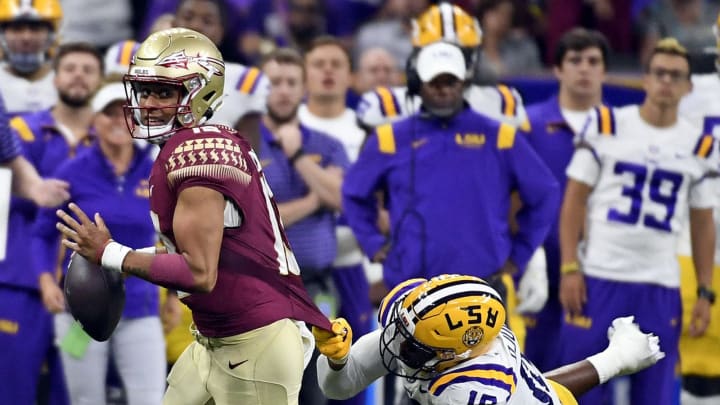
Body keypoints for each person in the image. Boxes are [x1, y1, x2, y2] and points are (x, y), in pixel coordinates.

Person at [56, 27, 333, 405]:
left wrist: (111, 254)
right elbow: (205, 250)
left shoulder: (198, 153)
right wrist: (119, 254)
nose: (150, 102)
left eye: (165, 92)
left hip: (255, 340)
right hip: (214, 339)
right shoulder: (192, 145)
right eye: (146, 90)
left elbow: (199, 272)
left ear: (201, 92)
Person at [558, 38, 716, 405]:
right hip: (599, 277)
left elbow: (703, 222)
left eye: (676, 76)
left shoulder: (699, 146)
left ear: (688, 87)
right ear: (645, 79)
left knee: (656, 395)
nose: (666, 81)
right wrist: (570, 267)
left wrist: (706, 291)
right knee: (582, 393)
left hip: (659, 284)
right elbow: (574, 200)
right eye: (659, 73)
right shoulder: (608, 123)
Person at [342, 40, 559, 303]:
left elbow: (545, 192)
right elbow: (353, 194)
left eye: (450, 81)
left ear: (464, 83)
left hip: (482, 285)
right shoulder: (389, 137)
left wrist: (520, 254)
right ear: (417, 84)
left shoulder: (499, 135)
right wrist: (374, 244)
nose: (443, 90)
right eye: (435, 82)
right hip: (410, 287)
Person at [312, 274, 665, 405]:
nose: (397, 347)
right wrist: (338, 361)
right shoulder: (418, 332)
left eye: (413, 348)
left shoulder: (469, 389)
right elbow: (338, 387)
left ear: (459, 351)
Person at [33, 81, 166, 405]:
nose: (117, 121)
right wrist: (46, 280)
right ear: (95, 120)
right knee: (85, 399)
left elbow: (171, 236)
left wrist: (173, 296)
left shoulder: (156, 169)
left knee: (151, 398)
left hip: (141, 302)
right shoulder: (73, 170)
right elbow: (42, 231)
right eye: (108, 114)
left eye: (125, 113)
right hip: (81, 304)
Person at [0, 41, 104, 405]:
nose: (78, 75)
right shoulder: (18, 131)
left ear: (100, 82)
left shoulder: (113, 141)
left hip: (87, 292)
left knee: (75, 396)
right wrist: (33, 191)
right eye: (71, 67)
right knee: (11, 393)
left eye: (88, 70)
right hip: (20, 282)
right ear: (55, 77)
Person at [260, 46, 351, 405]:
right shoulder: (242, 145)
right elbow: (260, 220)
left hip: (317, 284)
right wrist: (315, 199)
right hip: (261, 286)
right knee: (265, 385)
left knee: (316, 388)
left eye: (290, 82)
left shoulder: (328, 144)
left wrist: (297, 156)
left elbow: (342, 200)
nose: (282, 90)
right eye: (274, 82)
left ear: (303, 89)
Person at [521, 28, 610, 372]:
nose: (584, 69)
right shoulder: (527, 124)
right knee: (534, 371)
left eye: (593, 61)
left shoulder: (620, 128)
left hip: (600, 269)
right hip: (538, 265)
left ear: (604, 71)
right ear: (558, 69)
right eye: (575, 61)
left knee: (591, 376)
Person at [298, 34, 375, 405]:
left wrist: (321, 194)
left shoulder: (366, 132)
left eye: (336, 64)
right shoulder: (287, 125)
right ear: (304, 73)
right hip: (301, 263)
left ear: (351, 77)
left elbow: (359, 202)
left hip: (351, 261)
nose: (327, 72)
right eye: (318, 64)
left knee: (358, 369)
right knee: (302, 370)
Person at [355, 1, 529, 132]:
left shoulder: (502, 104)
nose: (447, 65)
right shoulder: (387, 105)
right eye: (438, 55)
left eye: (456, 54)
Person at [672, 18, 720, 404]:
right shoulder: (689, 84)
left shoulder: (691, 83)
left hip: (692, 243)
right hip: (696, 243)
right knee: (699, 372)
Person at [172, 0, 270, 150]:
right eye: (188, 17)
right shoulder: (144, 73)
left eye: (208, 21)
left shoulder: (243, 81)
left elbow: (249, 160)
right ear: (173, 25)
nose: (196, 26)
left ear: (220, 31)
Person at [0, 0, 62, 114]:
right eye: (17, 29)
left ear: (51, 35)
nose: (26, 37)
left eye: (35, 29)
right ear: (2, 35)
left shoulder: (67, 79)